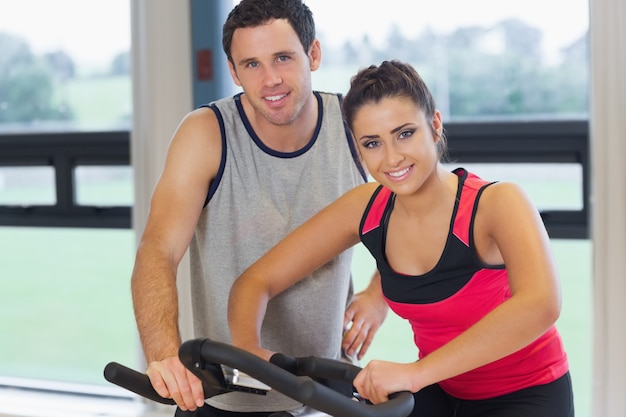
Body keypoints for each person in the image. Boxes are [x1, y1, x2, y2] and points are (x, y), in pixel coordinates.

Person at [228, 60, 575, 417]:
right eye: (372, 143)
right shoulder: (365, 208)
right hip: (441, 390)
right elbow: (256, 280)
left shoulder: (497, 203)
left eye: (405, 133)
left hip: (528, 393)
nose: (392, 157)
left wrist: (416, 373)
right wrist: (247, 350)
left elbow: (541, 304)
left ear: (434, 125)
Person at [130, 0, 389, 415]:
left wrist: (379, 292)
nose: (270, 80)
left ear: (314, 55)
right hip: (228, 395)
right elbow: (158, 249)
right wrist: (164, 353)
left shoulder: (353, 125)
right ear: (233, 71)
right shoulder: (206, 134)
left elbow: (421, 206)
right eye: (251, 64)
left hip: (326, 388)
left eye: (283, 58)